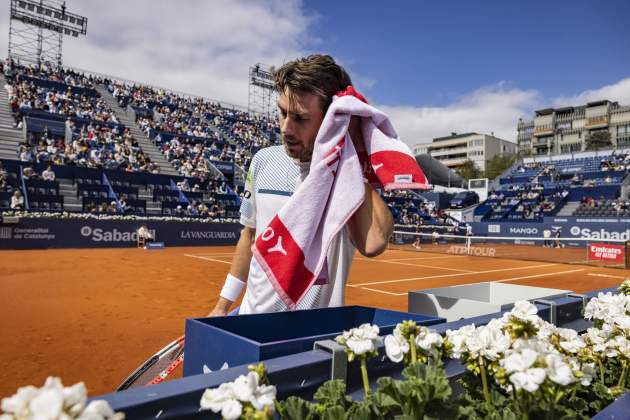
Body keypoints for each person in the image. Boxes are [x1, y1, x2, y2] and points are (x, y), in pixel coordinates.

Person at [208, 54, 394, 316]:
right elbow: (249, 236)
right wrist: (223, 304)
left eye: (300, 118)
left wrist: (349, 147)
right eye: (283, 112)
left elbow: (374, 242)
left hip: (311, 336)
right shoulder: (263, 160)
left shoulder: (346, 176)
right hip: (251, 320)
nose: (286, 127)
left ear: (332, 119)